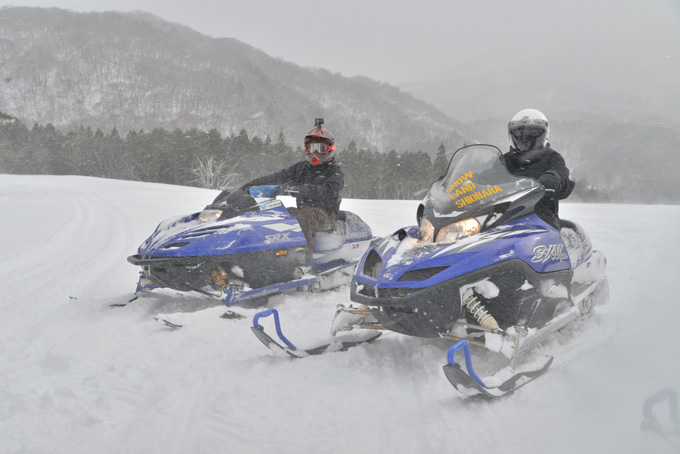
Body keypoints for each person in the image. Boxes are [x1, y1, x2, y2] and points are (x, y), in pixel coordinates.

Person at [240, 118, 344, 265]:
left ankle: (303, 263)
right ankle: (267, 257)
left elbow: (328, 191)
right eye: (311, 149)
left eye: (320, 149)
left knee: (305, 215)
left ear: (330, 150)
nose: (315, 153)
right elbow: (277, 177)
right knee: (276, 213)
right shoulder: (301, 168)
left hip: (327, 214)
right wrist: (249, 186)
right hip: (304, 210)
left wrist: (302, 189)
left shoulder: (335, 171)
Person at [503, 108, 574, 229]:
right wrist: (467, 182)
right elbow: (487, 176)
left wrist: (554, 179)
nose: (525, 136)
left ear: (544, 134)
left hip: (540, 217)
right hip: (502, 216)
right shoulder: (505, 160)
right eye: (520, 132)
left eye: (533, 132)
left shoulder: (552, 158)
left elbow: (564, 179)